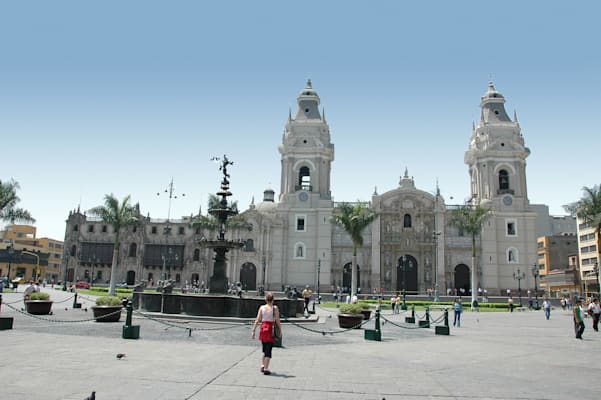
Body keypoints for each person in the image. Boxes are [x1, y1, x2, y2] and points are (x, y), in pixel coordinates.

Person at [251, 292, 282, 375]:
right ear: (273, 300)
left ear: (266, 299)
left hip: (263, 328)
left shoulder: (262, 307)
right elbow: (277, 319)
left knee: (264, 348)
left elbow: (257, 319)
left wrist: (253, 330)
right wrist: (280, 329)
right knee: (269, 349)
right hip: (270, 328)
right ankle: (266, 368)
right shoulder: (275, 308)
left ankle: (262, 365)